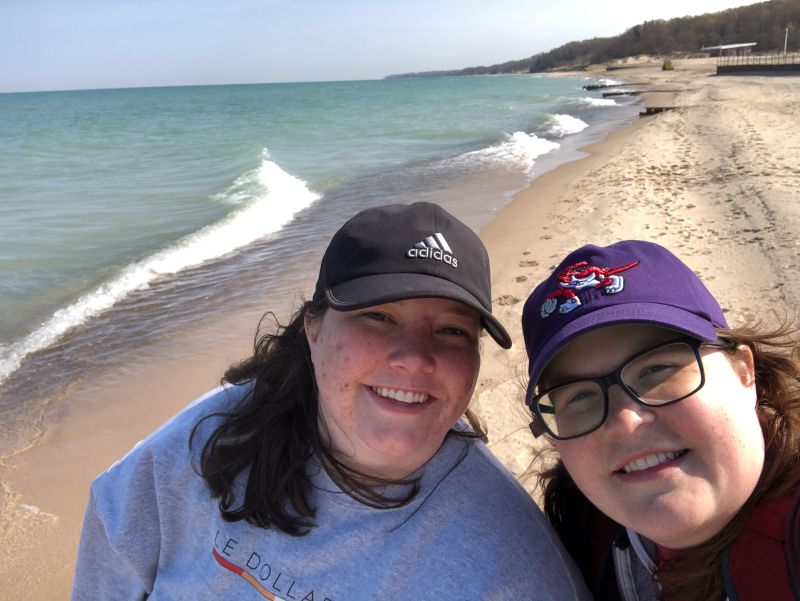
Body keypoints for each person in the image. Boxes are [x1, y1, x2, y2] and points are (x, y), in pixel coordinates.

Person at [72, 202, 589, 600]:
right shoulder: (216, 437)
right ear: (313, 329)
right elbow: (114, 532)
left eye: (452, 330)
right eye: (378, 317)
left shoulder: (512, 570)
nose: (413, 358)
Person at [520, 239, 800, 601]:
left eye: (656, 370)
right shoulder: (582, 534)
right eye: (580, 396)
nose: (625, 421)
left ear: (745, 371)